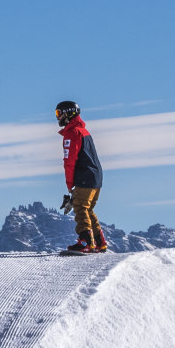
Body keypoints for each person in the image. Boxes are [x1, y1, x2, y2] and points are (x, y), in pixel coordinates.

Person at [55, 100, 107, 254]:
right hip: (95, 177)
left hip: (84, 176)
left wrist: (69, 183)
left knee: (80, 207)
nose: (58, 117)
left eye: (59, 113)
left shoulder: (72, 133)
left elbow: (69, 161)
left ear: (69, 113)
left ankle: (86, 242)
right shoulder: (84, 131)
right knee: (88, 209)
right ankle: (99, 242)